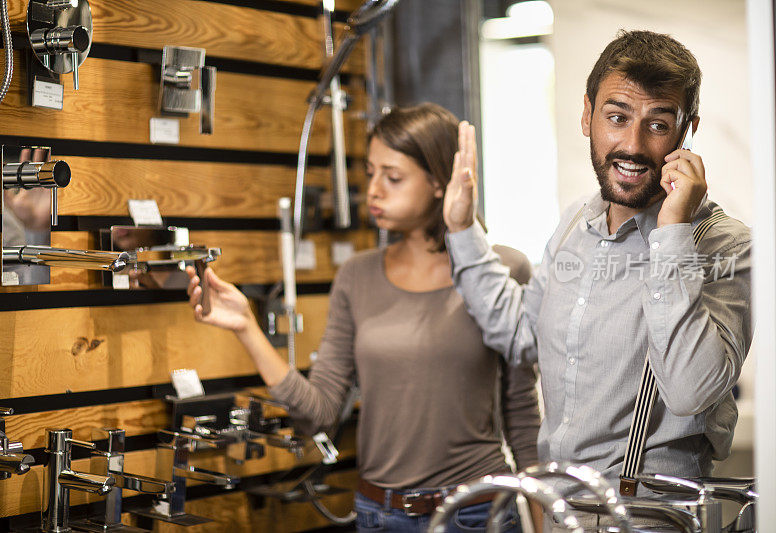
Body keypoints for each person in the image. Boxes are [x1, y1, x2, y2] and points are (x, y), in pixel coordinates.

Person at [442, 30, 752, 528]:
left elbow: (692, 391)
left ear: (686, 133)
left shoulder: (725, 244)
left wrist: (672, 231)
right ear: (587, 115)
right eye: (617, 117)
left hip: (647, 517)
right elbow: (522, 335)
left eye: (658, 124)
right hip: (560, 510)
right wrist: (461, 229)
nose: (632, 144)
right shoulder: (574, 223)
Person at [186, 103, 541, 532]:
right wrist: (246, 327)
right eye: (370, 173)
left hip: (474, 512)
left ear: (436, 182)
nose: (373, 190)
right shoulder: (358, 275)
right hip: (379, 514)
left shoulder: (503, 269)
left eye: (392, 177)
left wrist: (545, 522)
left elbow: (522, 417)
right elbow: (318, 411)